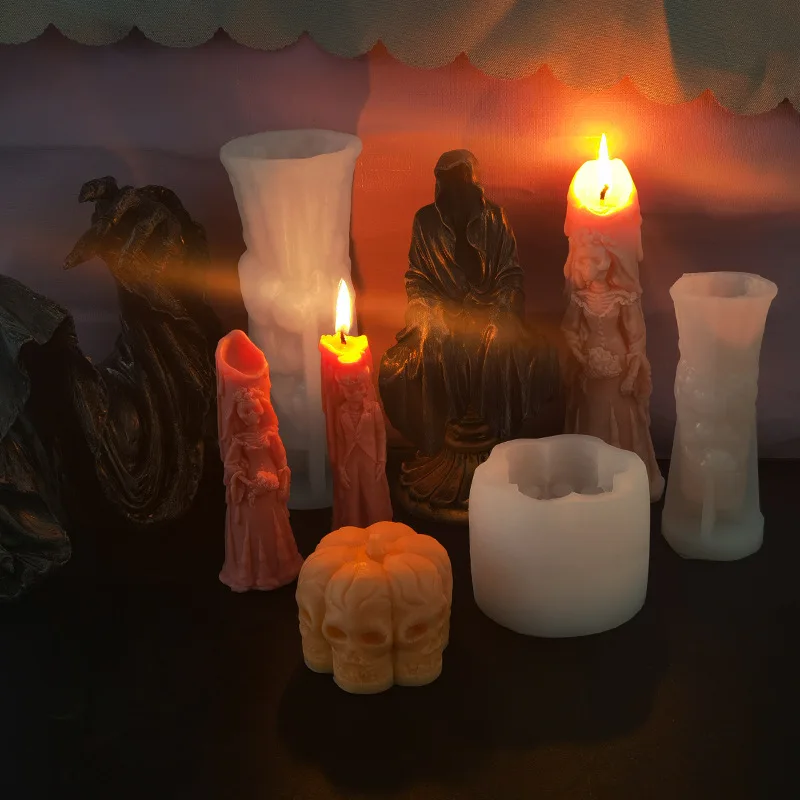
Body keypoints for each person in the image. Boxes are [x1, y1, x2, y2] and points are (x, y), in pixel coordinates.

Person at [379, 150, 558, 457]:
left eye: (463, 181)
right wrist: (430, 313)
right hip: (441, 310)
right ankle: (444, 437)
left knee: (506, 344)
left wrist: (501, 311)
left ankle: (495, 435)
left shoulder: (495, 218)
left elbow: (511, 274)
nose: (457, 190)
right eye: (449, 181)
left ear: (475, 182)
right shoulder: (425, 222)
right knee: (427, 349)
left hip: (489, 308)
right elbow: (417, 278)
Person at [561, 228, 664, 501]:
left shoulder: (622, 298)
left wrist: (631, 373)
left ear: (605, 263)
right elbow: (569, 329)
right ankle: (590, 478)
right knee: (592, 413)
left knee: (622, 415)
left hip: (618, 366)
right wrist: (578, 352)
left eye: (590, 261)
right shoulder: (580, 299)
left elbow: (636, 338)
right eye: (582, 261)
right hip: (590, 368)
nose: (585, 267)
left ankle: (623, 477)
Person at [332, 370, 393, 529]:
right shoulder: (341, 411)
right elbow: (340, 441)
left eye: (359, 388)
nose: (355, 394)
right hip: (350, 460)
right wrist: (340, 467)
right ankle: (354, 527)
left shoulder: (373, 409)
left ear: (365, 388)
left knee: (373, 494)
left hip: (370, 457)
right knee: (352, 496)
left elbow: (381, 435)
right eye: (350, 390)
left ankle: (378, 526)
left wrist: (381, 460)